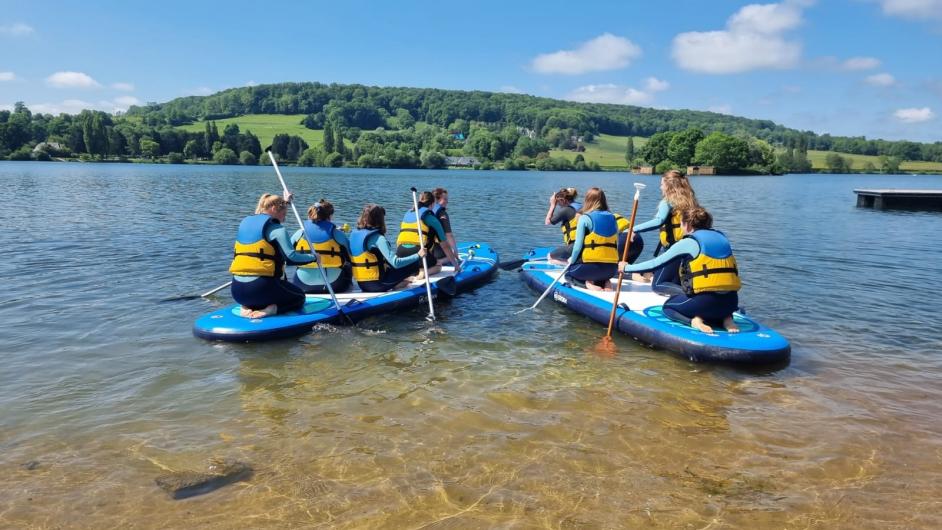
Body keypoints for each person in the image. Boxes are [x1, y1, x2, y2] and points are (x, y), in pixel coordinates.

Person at [619, 207, 740, 334]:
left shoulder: (689, 242)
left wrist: (627, 268)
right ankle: (727, 318)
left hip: (705, 302)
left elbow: (655, 263)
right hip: (731, 302)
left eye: (681, 223)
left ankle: (694, 321)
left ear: (687, 225)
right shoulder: (722, 237)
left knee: (668, 308)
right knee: (719, 299)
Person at [229, 193, 316, 318]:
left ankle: (246, 307)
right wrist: (313, 257)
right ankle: (272, 309)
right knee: (300, 297)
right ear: (274, 209)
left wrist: (285, 202)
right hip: (261, 289)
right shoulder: (277, 229)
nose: (284, 219)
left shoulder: (245, 223)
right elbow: (291, 258)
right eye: (284, 214)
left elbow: (270, 211)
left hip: (237, 292)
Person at [631, 169, 700, 284]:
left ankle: (652, 279)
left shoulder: (668, 201)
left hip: (673, 250)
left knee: (652, 280)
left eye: (662, 184)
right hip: (689, 250)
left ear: (669, 185)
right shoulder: (691, 201)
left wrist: (633, 229)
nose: (660, 187)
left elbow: (658, 221)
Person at [350, 204, 427, 292]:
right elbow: (396, 263)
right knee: (413, 264)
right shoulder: (378, 238)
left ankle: (400, 282)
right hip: (378, 284)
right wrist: (418, 255)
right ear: (380, 220)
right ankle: (408, 282)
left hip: (361, 284)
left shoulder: (353, 234)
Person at [290, 199, 352, 294]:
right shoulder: (337, 234)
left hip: (301, 285)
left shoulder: (299, 233)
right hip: (334, 286)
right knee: (348, 264)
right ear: (329, 216)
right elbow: (351, 256)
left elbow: (287, 254)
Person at [396, 191, 461, 279]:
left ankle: (411, 271)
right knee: (438, 266)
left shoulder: (408, 213)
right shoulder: (431, 217)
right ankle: (422, 274)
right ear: (432, 203)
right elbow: (445, 245)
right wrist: (456, 265)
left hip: (400, 252)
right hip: (418, 252)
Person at [565, 187, 620, 291]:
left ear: (588, 200)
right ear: (604, 200)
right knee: (601, 273)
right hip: (611, 270)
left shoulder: (585, 218)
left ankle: (587, 285)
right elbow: (616, 243)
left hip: (591, 268)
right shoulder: (613, 218)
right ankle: (605, 282)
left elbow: (577, 246)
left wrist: (571, 260)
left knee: (568, 274)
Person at [544, 187, 580, 263]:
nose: (558, 205)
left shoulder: (566, 210)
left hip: (575, 246)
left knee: (550, 256)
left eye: (558, 202)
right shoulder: (581, 206)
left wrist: (552, 205)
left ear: (563, 200)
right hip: (586, 244)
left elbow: (547, 222)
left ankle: (570, 266)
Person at [430, 187, 459, 266]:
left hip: (424, 248)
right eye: (445, 199)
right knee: (452, 254)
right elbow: (449, 235)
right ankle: (439, 262)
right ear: (436, 199)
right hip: (436, 251)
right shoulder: (442, 213)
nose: (447, 201)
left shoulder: (424, 212)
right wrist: (455, 252)